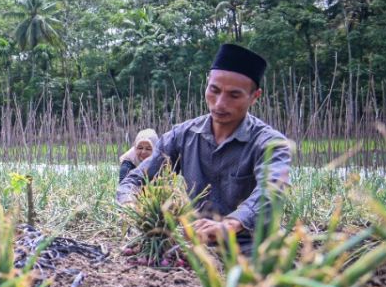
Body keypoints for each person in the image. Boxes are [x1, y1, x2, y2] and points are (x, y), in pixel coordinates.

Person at [116, 44, 292, 250]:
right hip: (192, 242)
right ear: (206, 86)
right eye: (214, 90)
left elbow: (271, 193)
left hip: (250, 244)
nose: (219, 104)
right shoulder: (182, 135)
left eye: (233, 95)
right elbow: (136, 179)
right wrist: (132, 205)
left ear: (255, 96)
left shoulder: (270, 144)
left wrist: (229, 225)